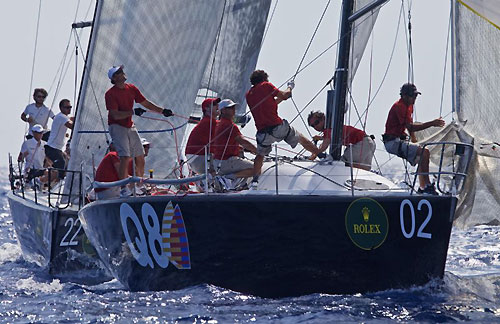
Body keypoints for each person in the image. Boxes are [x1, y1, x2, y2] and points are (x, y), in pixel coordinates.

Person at [105, 65, 173, 197]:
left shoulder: (131, 88)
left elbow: (145, 103)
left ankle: (138, 186)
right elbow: (115, 115)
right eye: (119, 72)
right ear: (114, 78)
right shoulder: (110, 94)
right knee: (125, 156)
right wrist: (132, 111)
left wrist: (162, 111)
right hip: (116, 126)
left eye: (121, 70)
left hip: (129, 125)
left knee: (140, 155)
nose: (122, 72)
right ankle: (124, 187)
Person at [245, 70, 320, 185]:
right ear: (264, 79)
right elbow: (285, 95)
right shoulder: (266, 85)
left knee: (260, 155)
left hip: (262, 133)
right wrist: (290, 87)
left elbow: (270, 104)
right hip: (277, 127)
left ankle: (255, 181)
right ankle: (320, 154)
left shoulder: (249, 94)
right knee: (298, 136)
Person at [382, 83, 445, 194]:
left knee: (422, 156)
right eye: (413, 96)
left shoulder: (409, 106)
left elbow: (409, 127)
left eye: (416, 96)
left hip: (398, 141)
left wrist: (414, 140)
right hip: (392, 143)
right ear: (404, 96)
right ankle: (427, 186)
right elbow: (410, 127)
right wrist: (432, 123)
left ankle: (422, 187)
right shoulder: (399, 106)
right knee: (424, 152)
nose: (415, 98)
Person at [307, 111, 376, 171]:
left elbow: (324, 146)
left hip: (361, 143)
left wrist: (315, 154)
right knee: (364, 169)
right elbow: (329, 138)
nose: (316, 126)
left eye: (317, 122)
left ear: (323, 119)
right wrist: (321, 138)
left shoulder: (329, 129)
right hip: (369, 142)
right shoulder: (333, 128)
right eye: (313, 126)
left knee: (341, 165)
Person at [213, 99, 257, 182]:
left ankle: (228, 184)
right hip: (227, 161)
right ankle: (228, 178)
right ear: (223, 110)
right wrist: (257, 150)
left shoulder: (219, 124)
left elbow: (225, 143)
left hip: (217, 162)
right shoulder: (229, 125)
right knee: (256, 168)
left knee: (243, 165)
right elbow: (242, 140)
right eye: (230, 108)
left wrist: (243, 149)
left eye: (233, 107)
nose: (233, 110)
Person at [185, 97, 221, 174]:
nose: (217, 106)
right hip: (199, 158)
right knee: (227, 165)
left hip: (194, 160)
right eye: (214, 104)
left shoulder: (207, 121)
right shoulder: (210, 122)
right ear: (207, 108)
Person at [45, 99, 74, 181]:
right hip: (52, 148)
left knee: (67, 163)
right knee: (61, 164)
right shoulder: (61, 117)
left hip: (57, 149)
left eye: (70, 107)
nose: (69, 109)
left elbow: (71, 118)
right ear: (61, 108)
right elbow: (72, 126)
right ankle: (60, 182)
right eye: (67, 107)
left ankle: (48, 181)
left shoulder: (64, 117)